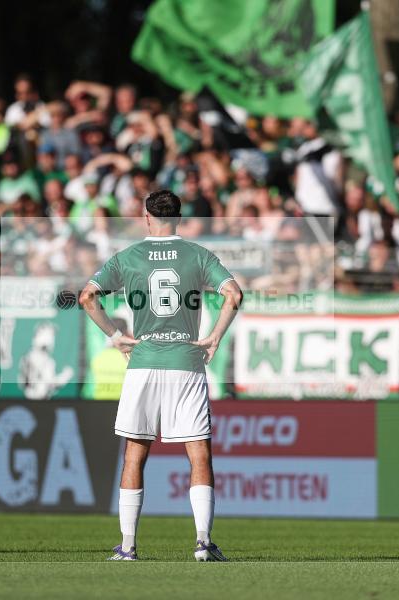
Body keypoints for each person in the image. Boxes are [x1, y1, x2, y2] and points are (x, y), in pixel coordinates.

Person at [79, 189, 243, 562]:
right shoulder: (198, 255)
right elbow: (233, 294)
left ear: (146, 216)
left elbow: (88, 296)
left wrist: (116, 337)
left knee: (135, 454)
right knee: (199, 455)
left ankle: (129, 546)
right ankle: (203, 542)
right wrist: (215, 336)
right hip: (186, 361)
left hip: (144, 361)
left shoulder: (129, 256)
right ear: (179, 217)